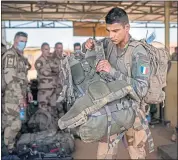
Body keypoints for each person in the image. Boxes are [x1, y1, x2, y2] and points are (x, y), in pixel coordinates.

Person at [82, 7, 151, 159]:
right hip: (111, 111)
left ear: (127, 28)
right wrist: (88, 45)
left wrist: (112, 71)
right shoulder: (109, 44)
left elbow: (141, 89)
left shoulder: (139, 53)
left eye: (116, 31)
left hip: (134, 114)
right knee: (104, 156)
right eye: (108, 31)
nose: (111, 35)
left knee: (136, 155)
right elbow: (95, 45)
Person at [2, 31, 33, 153]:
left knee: (19, 122)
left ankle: (11, 146)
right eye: (21, 41)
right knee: (13, 124)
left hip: (21, 96)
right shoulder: (10, 55)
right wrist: (20, 97)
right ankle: (7, 150)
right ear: (15, 41)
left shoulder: (21, 58)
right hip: (12, 97)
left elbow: (24, 78)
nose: (23, 44)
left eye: (25, 42)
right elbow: (11, 79)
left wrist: (29, 92)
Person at [35, 42, 59, 121]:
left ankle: (51, 128)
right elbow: (45, 73)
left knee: (52, 109)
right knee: (43, 110)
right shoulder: (39, 61)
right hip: (44, 90)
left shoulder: (50, 60)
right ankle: (42, 130)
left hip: (52, 88)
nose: (48, 51)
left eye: (48, 49)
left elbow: (57, 68)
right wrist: (55, 73)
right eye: (46, 49)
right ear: (42, 50)